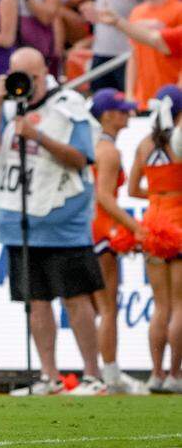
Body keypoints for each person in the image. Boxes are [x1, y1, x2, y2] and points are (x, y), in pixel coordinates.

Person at [0, 48, 107, 396]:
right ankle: (49, 376)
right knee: (36, 301)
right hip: (20, 221)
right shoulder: (8, 109)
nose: (24, 84)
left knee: (76, 298)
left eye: (29, 77)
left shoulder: (67, 105)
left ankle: (92, 375)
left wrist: (39, 138)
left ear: (42, 74)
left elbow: (81, 158)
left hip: (62, 221)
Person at [87, 88, 150, 395]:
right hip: (101, 232)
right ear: (108, 115)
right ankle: (110, 374)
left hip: (86, 230)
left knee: (94, 307)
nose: (127, 115)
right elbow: (105, 198)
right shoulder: (109, 151)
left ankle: (100, 372)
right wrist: (136, 227)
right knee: (107, 306)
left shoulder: (92, 145)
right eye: (122, 110)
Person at [127, 85, 182, 392]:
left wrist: (160, 194)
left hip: (152, 226)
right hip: (178, 222)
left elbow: (133, 190)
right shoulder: (180, 143)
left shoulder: (144, 144)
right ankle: (176, 375)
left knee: (160, 306)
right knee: (180, 306)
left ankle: (156, 374)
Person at [125, 0, 182, 105]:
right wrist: (130, 94)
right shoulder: (136, 12)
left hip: (172, 98)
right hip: (143, 98)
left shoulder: (179, 10)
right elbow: (134, 55)